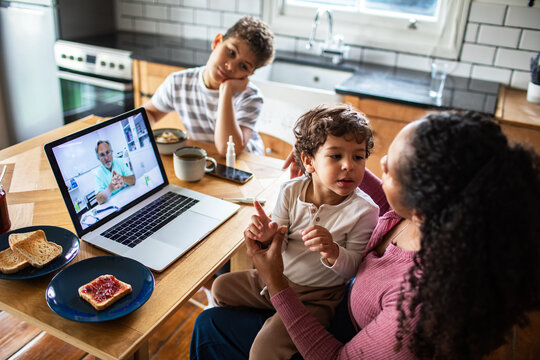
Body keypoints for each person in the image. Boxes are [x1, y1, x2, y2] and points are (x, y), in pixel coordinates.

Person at [190, 110, 540, 359]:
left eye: (391, 167)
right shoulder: (422, 219)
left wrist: (276, 283)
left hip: (335, 336)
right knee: (212, 314)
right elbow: (365, 186)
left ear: (423, 201)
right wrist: (320, 166)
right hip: (319, 298)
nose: (380, 164)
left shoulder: (419, 306)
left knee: (210, 328)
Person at [210, 104, 379, 360]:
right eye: (336, 156)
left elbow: (353, 268)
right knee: (221, 286)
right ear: (309, 162)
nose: (349, 165)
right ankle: (274, 313)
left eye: (358, 157)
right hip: (275, 280)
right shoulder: (290, 191)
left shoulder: (364, 211)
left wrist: (333, 252)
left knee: (263, 351)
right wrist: (266, 236)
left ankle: (277, 321)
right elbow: (278, 240)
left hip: (318, 297)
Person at [143, 15, 274, 156]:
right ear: (217, 42)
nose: (230, 66)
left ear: (249, 74)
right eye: (231, 52)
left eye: (243, 66)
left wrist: (226, 91)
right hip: (205, 159)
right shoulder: (179, 82)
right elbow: (149, 113)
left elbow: (227, 150)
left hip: (245, 166)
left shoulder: (251, 98)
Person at [94, 140, 135, 204]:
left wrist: (122, 179)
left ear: (112, 152)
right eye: (102, 155)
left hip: (129, 199)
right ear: (98, 158)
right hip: (114, 205)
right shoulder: (98, 173)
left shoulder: (119, 162)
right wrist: (111, 187)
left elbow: (133, 180)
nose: (106, 158)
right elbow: (99, 200)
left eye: (108, 153)